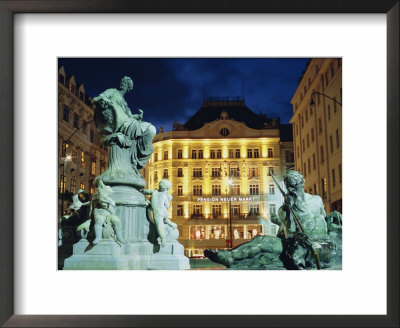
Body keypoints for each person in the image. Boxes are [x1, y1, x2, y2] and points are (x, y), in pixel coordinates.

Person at [205, 170, 342, 270]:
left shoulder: (316, 200)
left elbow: (325, 220)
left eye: (295, 187)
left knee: (295, 253)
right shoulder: (284, 209)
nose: (292, 191)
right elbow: (289, 234)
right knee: (262, 240)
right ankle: (230, 256)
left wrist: (334, 215)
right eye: (289, 188)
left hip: (319, 244)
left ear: (302, 184)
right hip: (296, 242)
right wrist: (289, 212)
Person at [92, 76, 156, 174]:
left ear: (129, 87)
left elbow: (130, 116)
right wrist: (104, 99)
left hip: (128, 123)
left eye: (126, 83)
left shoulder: (125, 104)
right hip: (121, 125)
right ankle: (134, 162)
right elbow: (95, 99)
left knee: (150, 146)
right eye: (122, 82)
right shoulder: (112, 91)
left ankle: (135, 164)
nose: (123, 83)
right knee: (151, 129)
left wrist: (137, 117)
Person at [141, 179, 177, 247]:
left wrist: (141, 191)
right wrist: (169, 206)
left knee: (159, 225)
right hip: (164, 211)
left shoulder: (155, 192)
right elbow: (166, 204)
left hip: (158, 211)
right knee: (165, 219)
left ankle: (163, 238)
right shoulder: (165, 195)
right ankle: (172, 225)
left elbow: (146, 191)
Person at [91, 180, 125, 245]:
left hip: (108, 214)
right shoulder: (96, 198)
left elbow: (113, 210)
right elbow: (93, 207)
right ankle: (98, 237)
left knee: (116, 221)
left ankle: (119, 236)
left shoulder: (111, 200)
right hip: (99, 212)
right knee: (99, 221)